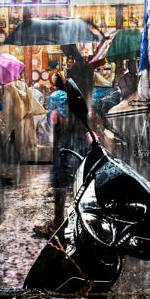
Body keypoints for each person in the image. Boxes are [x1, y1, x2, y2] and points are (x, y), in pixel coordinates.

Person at [33, 45, 95, 237]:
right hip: (84, 130)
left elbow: (73, 104)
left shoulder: (75, 73)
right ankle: (83, 224)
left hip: (71, 131)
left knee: (60, 178)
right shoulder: (87, 71)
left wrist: (64, 124)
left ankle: (58, 223)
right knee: (83, 178)